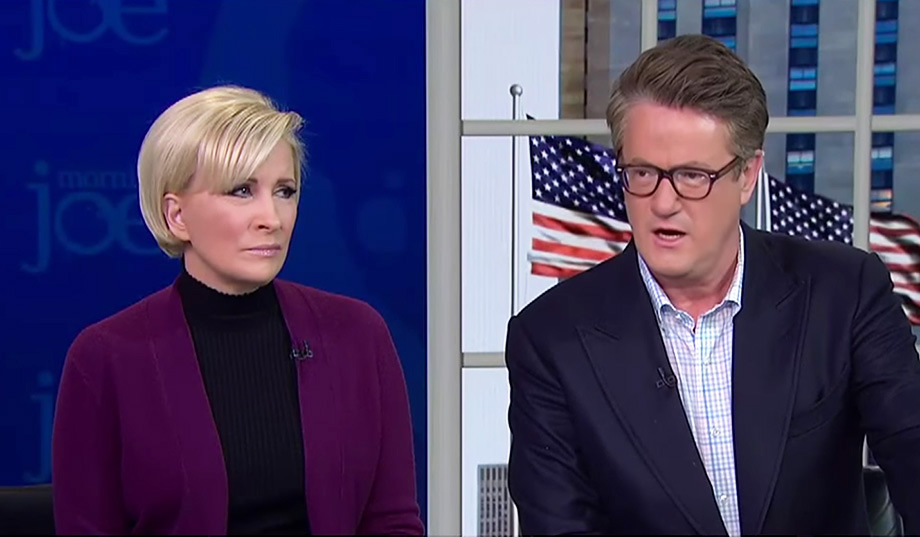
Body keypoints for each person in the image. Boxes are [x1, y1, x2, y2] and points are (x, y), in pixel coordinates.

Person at [505, 34, 920, 535]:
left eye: (692, 176)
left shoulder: (845, 293)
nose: (663, 203)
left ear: (747, 175)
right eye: (642, 173)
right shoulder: (551, 341)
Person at [51, 85, 425, 536]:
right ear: (177, 216)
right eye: (242, 191)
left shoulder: (357, 335)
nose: (272, 218)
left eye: (285, 191)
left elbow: (392, 521)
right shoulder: (106, 357)